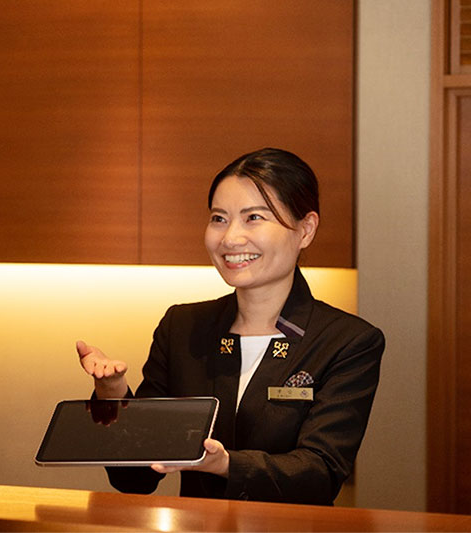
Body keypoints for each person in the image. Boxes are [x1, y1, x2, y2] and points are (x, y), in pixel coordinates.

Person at [76, 147, 384, 505]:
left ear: (306, 229)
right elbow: (135, 478)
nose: (230, 238)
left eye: (253, 217)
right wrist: (112, 393)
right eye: (219, 218)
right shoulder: (183, 327)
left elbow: (320, 474)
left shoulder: (347, 341)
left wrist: (226, 465)